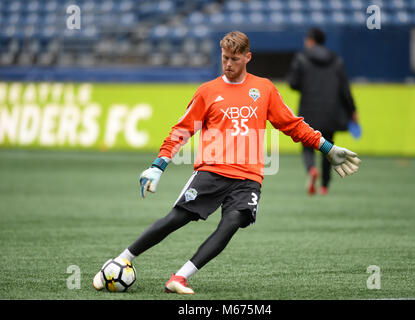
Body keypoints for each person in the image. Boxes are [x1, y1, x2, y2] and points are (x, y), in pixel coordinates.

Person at [92, 31, 361, 294]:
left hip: (248, 177)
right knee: (178, 217)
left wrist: (327, 148)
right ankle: (122, 259)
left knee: (231, 223)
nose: (228, 64)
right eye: (224, 58)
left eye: (234, 58)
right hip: (212, 171)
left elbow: (292, 125)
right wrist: (158, 165)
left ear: (247, 57)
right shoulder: (208, 92)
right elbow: (181, 130)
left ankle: (180, 278)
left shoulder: (264, 89)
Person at [287, 28, 359, 196]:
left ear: (310, 40)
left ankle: (311, 169)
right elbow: (344, 89)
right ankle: (325, 186)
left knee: (307, 146)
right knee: (328, 147)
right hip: (331, 111)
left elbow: (292, 83)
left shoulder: (301, 57)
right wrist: (352, 110)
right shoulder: (336, 60)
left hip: (309, 109)